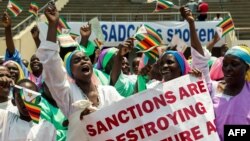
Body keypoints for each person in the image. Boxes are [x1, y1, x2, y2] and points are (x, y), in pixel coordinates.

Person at [36, 3, 123, 140]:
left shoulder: (109, 92)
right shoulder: (68, 94)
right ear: (70, 72)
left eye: (85, 58)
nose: (83, 61)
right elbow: (51, 65)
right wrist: (53, 25)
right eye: (76, 61)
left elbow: (129, 115)